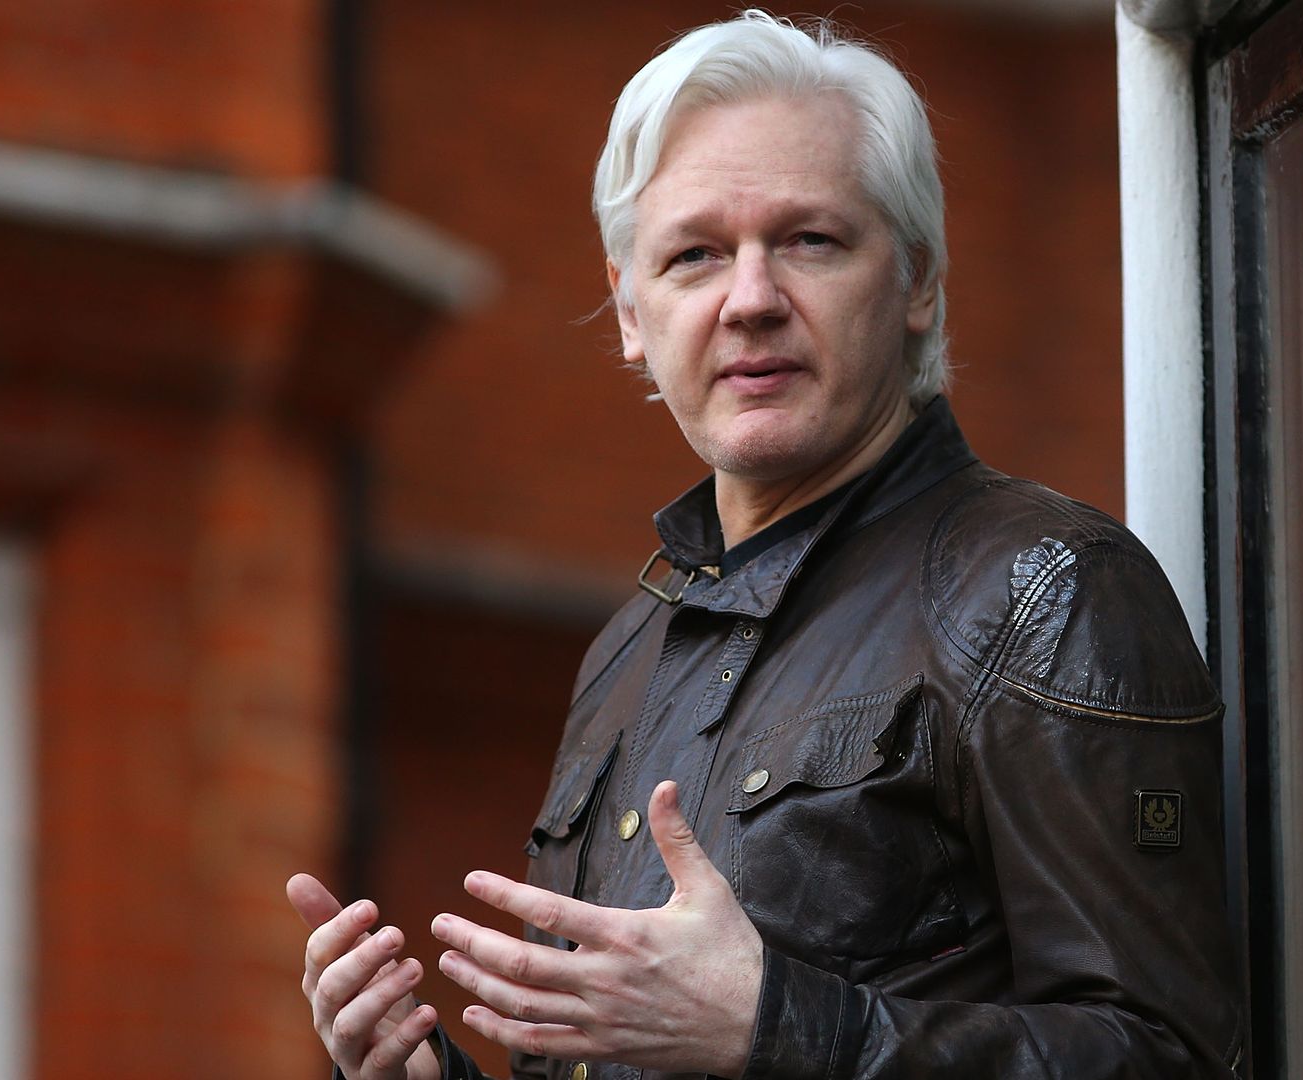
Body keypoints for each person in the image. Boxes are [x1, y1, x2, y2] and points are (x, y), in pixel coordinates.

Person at [287, 10, 1242, 1079]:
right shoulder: (627, 654)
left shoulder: (1045, 591)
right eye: (695, 255)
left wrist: (777, 1025)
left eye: (808, 241)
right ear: (631, 314)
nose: (750, 301)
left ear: (919, 280)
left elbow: (1177, 1058)